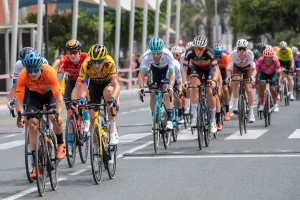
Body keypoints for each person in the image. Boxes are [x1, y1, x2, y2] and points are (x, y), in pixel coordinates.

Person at [16, 53, 65, 178]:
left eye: (36, 70)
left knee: (54, 117)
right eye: (30, 70)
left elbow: (59, 99)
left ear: (41, 67)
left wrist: (58, 114)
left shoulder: (49, 72)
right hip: (34, 97)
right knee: (32, 124)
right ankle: (36, 164)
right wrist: (20, 115)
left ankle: (60, 144)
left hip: (50, 96)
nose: (33, 73)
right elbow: (19, 100)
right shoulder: (23, 75)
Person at [71, 44, 120, 145]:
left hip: (107, 84)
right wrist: (77, 100)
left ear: (104, 59)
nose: (96, 65)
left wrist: (113, 98)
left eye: (99, 62)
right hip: (94, 85)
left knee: (109, 93)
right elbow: (79, 86)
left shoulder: (109, 62)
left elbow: (116, 85)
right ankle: (96, 149)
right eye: (94, 61)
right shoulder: (86, 64)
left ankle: (113, 131)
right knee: (92, 117)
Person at [183, 35, 219, 133]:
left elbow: (216, 69)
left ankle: (212, 121)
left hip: (209, 70)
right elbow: (184, 69)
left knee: (209, 90)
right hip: (196, 68)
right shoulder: (190, 51)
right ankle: (194, 117)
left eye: (200, 48)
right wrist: (184, 82)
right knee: (194, 87)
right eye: (196, 48)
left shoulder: (209, 52)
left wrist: (214, 81)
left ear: (204, 48)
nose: (198, 51)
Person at [138, 37, 175, 130]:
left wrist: (171, 87)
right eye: (153, 53)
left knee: (166, 89)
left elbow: (172, 73)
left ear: (162, 51)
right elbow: (141, 74)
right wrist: (141, 87)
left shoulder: (168, 55)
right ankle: (154, 117)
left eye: (158, 53)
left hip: (166, 69)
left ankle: (170, 119)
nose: (156, 56)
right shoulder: (146, 56)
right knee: (153, 93)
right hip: (154, 70)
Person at [57, 39, 91, 132]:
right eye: (70, 52)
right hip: (72, 81)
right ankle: (70, 142)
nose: (72, 55)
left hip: (84, 80)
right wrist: (57, 90)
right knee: (70, 108)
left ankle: (86, 117)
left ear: (79, 52)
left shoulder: (86, 57)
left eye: (75, 52)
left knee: (81, 97)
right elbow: (59, 77)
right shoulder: (64, 60)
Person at [228, 39, 256, 122]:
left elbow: (254, 69)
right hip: (237, 68)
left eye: (243, 49)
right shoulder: (233, 55)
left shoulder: (250, 54)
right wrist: (229, 77)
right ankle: (236, 104)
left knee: (249, 89)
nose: (241, 51)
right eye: (239, 49)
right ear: (237, 49)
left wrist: (253, 77)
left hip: (247, 68)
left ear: (246, 49)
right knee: (235, 81)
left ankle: (251, 113)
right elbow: (229, 68)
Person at [256, 48, 282, 112]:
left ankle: (275, 104)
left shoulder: (276, 61)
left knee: (273, 89)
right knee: (261, 87)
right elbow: (256, 72)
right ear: (263, 57)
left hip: (273, 74)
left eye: (270, 59)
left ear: (272, 58)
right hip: (263, 73)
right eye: (266, 59)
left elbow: (280, 73)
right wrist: (256, 80)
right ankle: (262, 104)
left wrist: (279, 82)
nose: (268, 60)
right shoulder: (259, 60)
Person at [214, 46, 231, 121]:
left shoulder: (225, 57)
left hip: (223, 71)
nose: (218, 58)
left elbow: (227, 70)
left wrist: (228, 79)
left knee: (225, 89)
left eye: (219, 56)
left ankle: (227, 111)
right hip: (215, 71)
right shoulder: (212, 58)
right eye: (216, 56)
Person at [171, 46, 184, 123]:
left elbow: (180, 79)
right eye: (173, 55)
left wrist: (180, 89)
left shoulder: (179, 62)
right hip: (168, 79)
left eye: (177, 55)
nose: (175, 57)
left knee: (177, 95)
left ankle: (180, 114)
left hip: (177, 79)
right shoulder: (169, 60)